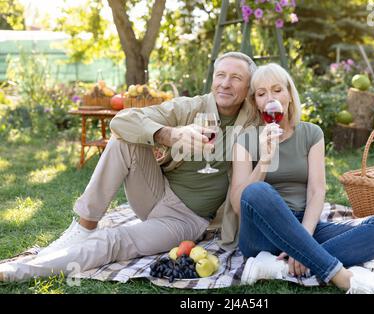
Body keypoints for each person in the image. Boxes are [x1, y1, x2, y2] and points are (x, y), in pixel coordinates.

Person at [0, 51, 256, 282]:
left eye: (235, 78)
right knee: (124, 140)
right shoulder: (190, 107)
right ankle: (84, 227)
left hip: (184, 220)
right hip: (155, 193)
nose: (225, 83)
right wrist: (168, 134)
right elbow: (123, 120)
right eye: (220, 75)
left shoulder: (254, 123)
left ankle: (20, 271)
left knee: (115, 239)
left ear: (248, 87)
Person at [229, 63, 374, 294]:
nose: (270, 98)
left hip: (304, 226)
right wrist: (265, 160)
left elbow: (317, 191)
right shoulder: (245, 140)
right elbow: (239, 204)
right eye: (261, 93)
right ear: (255, 102)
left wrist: (303, 237)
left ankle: (282, 266)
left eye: (277, 90)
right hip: (261, 235)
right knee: (257, 191)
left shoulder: (311, 133)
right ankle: (340, 276)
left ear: (289, 94)